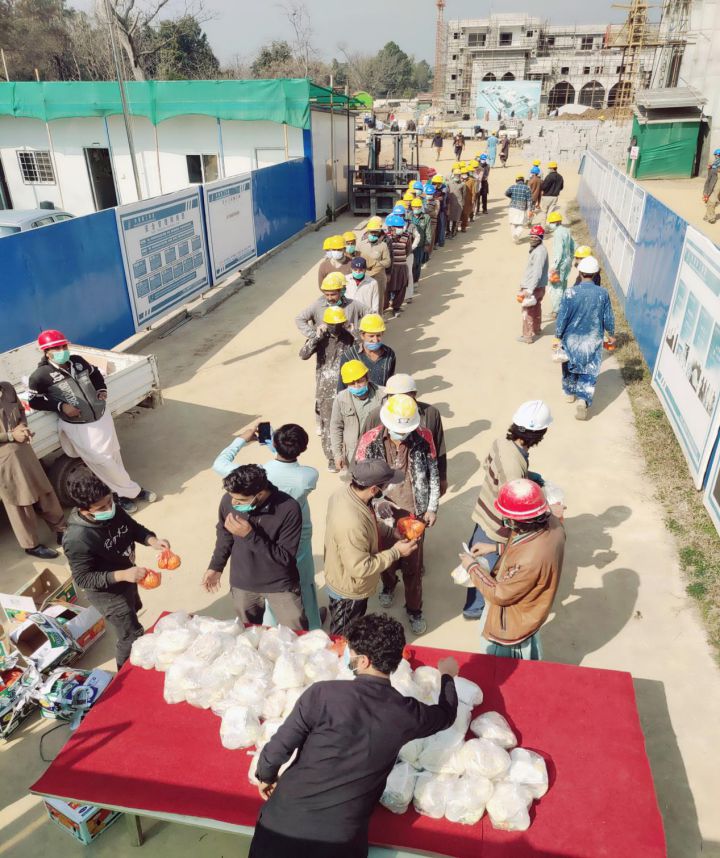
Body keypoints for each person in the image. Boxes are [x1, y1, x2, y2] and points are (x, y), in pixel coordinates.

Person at [249, 614, 458, 858]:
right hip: (339, 841)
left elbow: (278, 748)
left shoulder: (322, 694)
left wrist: (266, 775)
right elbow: (446, 715)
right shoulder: (406, 714)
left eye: (351, 653)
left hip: (281, 826)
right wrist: (447, 676)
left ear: (363, 661)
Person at [28, 330, 155, 514]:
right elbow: (34, 401)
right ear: (47, 352)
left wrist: (101, 390)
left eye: (64, 346)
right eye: (57, 348)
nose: (62, 351)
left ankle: (120, 493)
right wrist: (61, 406)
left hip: (101, 417)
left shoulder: (77, 361)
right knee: (102, 462)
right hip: (79, 426)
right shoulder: (40, 376)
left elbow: (95, 375)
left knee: (113, 456)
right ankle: (132, 491)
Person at [212, 422, 322, 630]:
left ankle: (270, 625)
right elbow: (290, 466)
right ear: (303, 448)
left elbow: (219, 463)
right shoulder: (308, 476)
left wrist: (243, 439)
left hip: (260, 533)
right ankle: (312, 625)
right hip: (296, 537)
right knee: (300, 585)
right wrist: (278, 448)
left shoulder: (249, 477)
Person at [63, 473, 170, 668]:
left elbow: (133, 528)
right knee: (131, 635)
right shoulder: (77, 538)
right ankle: (124, 672)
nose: (109, 509)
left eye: (110, 501)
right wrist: (123, 575)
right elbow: (83, 578)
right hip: (109, 595)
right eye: (101, 508)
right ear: (84, 510)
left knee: (134, 610)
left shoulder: (113, 510)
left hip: (128, 579)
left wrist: (152, 540)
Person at [355, 394, 440, 636]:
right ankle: (389, 585)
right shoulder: (369, 440)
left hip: (414, 513)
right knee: (386, 559)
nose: (401, 434)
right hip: (381, 513)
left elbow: (433, 474)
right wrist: (374, 503)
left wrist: (431, 507)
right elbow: (360, 479)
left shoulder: (424, 438)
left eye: (405, 431)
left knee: (413, 566)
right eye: (397, 430)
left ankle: (414, 609)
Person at [462, 400, 553, 620]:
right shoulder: (514, 466)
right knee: (486, 568)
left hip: (484, 513)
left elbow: (487, 466)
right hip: (497, 526)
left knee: (478, 557)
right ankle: (475, 609)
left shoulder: (501, 443)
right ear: (540, 434)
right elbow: (513, 509)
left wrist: (527, 477)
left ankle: (474, 604)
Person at [458, 479, 565, 660]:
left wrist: (472, 567)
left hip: (513, 623)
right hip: (529, 611)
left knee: (504, 667)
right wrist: (495, 548)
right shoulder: (553, 525)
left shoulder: (529, 559)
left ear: (521, 521)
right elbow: (522, 547)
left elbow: (499, 593)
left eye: (508, 520)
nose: (507, 523)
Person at [202, 464, 306, 629]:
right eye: (232, 497)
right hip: (243, 584)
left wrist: (250, 535)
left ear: (260, 494)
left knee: (295, 634)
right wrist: (216, 566)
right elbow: (224, 535)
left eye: (241, 500)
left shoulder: (288, 508)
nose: (234, 503)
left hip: (280, 585)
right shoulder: (229, 500)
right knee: (248, 633)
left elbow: (285, 558)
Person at [324, 462, 418, 633]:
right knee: (343, 636)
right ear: (374, 489)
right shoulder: (351, 523)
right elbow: (360, 567)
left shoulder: (344, 493)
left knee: (354, 627)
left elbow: (367, 524)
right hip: (348, 591)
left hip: (343, 570)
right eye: (386, 485)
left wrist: (391, 532)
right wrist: (396, 552)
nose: (388, 488)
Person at [0, 380, 65, 559]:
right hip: (4, 460)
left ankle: (61, 529)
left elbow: (20, 410)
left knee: (43, 489)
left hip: (24, 450)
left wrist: (22, 425)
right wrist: (11, 436)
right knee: (19, 500)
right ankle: (31, 545)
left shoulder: (7, 388)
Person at [361, 373, 448, 496]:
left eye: (404, 395)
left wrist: (442, 478)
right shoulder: (376, 415)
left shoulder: (430, 414)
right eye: (393, 396)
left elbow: (438, 448)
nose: (399, 400)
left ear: (414, 394)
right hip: (385, 482)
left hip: (418, 481)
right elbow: (362, 450)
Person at [556, 256, 615, 420]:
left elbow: (562, 317)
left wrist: (557, 336)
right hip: (592, 340)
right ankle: (583, 399)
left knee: (569, 366)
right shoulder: (603, 293)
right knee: (589, 370)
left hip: (571, 339)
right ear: (596, 274)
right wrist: (611, 334)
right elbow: (608, 317)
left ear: (580, 272)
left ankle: (569, 393)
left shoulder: (570, 293)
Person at [300, 305, 355, 471]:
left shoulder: (349, 337)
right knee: (328, 424)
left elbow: (362, 351)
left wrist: (355, 333)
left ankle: (349, 454)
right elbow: (303, 354)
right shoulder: (320, 337)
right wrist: (316, 337)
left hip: (348, 385)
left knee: (349, 422)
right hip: (326, 389)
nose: (335, 327)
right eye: (332, 324)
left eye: (338, 324)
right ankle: (332, 458)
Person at [330, 361, 386, 472]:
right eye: (352, 383)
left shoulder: (383, 395)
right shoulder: (341, 399)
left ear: (367, 378)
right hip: (353, 454)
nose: (357, 386)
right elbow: (336, 427)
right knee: (356, 480)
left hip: (379, 450)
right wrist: (338, 455)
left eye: (360, 381)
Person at [295, 271, 368, 339]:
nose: (329, 298)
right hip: (325, 346)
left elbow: (371, 314)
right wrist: (314, 335)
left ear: (341, 292)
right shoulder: (317, 305)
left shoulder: (352, 305)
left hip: (348, 345)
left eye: (333, 295)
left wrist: (358, 333)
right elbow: (299, 319)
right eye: (327, 295)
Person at [338, 314, 396, 391]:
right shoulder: (349, 356)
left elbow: (390, 383)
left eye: (378, 335)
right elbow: (342, 387)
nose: (375, 340)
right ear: (362, 335)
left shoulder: (390, 354)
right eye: (371, 336)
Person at [517, 224, 549, 344]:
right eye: (532, 236)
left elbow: (537, 272)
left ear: (541, 238)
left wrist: (530, 289)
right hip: (539, 286)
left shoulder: (539, 252)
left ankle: (527, 336)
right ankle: (537, 329)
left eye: (536, 237)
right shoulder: (540, 249)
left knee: (527, 311)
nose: (533, 239)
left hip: (533, 287)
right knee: (536, 307)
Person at [357, 216, 391, 313]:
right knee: (364, 299)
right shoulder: (361, 245)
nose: (373, 234)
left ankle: (378, 319)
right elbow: (356, 260)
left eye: (375, 232)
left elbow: (388, 262)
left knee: (378, 300)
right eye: (371, 232)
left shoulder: (383, 245)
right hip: (364, 276)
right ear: (367, 232)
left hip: (379, 277)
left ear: (379, 232)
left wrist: (376, 264)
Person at [546, 211, 575, 319]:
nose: (550, 224)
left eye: (551, 222)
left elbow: (558, 252)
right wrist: (571, 259)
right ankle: (562, 307)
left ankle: (556, 311)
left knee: (555, 287)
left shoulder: (558, 233)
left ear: (555, 222)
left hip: (560, 264)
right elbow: (572, 246)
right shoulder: (566, 230)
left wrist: (554, 267)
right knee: (563, 285)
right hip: (567, 263)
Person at [385, 214, 413, 315]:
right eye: (397, 227)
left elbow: (408, 250)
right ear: (391, 227)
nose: (400, 229)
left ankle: (396, 307)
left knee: (401, 287)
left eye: (401, 227)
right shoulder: (386, 237)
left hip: (401, 266)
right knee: (387, 288)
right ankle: (384, 307)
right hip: (390, 268)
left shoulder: (407, 236)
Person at [505, 175, 532, 243]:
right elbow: (529, 200)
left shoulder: (513, 186)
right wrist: (530, 209)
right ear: (523, 181)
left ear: (516, 181)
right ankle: (516, 235)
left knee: (512, 223)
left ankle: (515, 238)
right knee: (521, 224)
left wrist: (512, 197)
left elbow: (506, 193)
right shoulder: (527, 188)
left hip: (512, 207)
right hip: (521, 208)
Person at [409, 198, 430, 282]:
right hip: (409, 244)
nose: (417, 209)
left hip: (420, 245)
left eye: (418, 207)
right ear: (412, 207)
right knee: (410, 264)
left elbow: (428, 231)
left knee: (417, 264)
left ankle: (415, 280)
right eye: (415, 207)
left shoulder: (426, 217)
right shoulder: (408, 216)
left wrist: (427, 244)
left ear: (421, 207)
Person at [703, 148, 720, 223]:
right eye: (716, 155)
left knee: (712, 201)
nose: (717, 156)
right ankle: (708, 215)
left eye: (718, 155)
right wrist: (710, 168)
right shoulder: (714, 164)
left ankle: (711, 217)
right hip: (713, 184)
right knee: (709, 200)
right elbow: (709, 177)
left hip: (717, 185)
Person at [446, 171, 465, 239]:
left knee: (455, 219)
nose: (457, 176)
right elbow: (447, 193)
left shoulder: (462, 184)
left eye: (458, 175)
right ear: (453, 175)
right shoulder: (449, 183)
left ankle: (453, 232)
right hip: (450, 204)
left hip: (458, 204)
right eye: (456, 175)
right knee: (448, 218)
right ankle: (448, 231)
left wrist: (462, 204)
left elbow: (464, 195)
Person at [460, 167, 476, 231]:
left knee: (465, 213)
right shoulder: (458, 181)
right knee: (459, 214)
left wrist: (472, 199)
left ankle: (463, 227)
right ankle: (456, 228)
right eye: (462, 173)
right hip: (459, 200)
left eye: (465, 173)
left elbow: (473, 191)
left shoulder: (471, 180)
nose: (464, 175)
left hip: (467, 200)